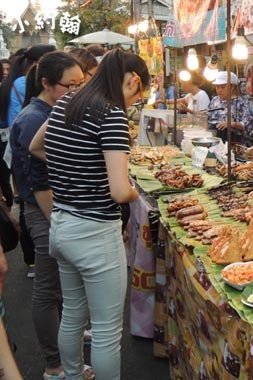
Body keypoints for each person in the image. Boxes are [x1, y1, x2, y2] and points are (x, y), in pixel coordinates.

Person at [35, 49, 149, 380]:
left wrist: (76, 172)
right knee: (106, 331)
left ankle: (71, 376)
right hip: (95, 233)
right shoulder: (111, 114)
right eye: (138, 94)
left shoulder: (67, 104)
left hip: (61, 225)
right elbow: (119, 191)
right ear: (133, 80)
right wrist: (136, 192)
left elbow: (36, 147)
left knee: (72, 313)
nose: (135, 101)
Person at [10, 51, 88, 380]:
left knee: (58, 286)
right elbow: (38, 182)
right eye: (69, 86)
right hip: (45, 212)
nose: (76, 91)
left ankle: (62, 347)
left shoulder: (52, 110)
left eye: (81, 84)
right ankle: (54, 364)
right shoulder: (32, 119)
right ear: (45, 83)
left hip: (55, 209)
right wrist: (59, 222)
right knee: (47, 288)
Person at [0, 45, 55, 278]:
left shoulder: (14, 83)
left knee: (22, 198)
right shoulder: (35, 115)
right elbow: (37, 168)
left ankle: (31, 259)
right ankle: (32, 258)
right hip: (19, 144)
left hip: (11, 141)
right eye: (72, 84)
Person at [207, 71, 253, 147]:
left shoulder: (241, 103)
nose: (219, 90)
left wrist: (230, 124)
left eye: (222, 87)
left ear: (232, 87)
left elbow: (247, 125)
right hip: (215, 140)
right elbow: (208, 116)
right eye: (217, 87)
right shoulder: (214, 100)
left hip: (235, 143)